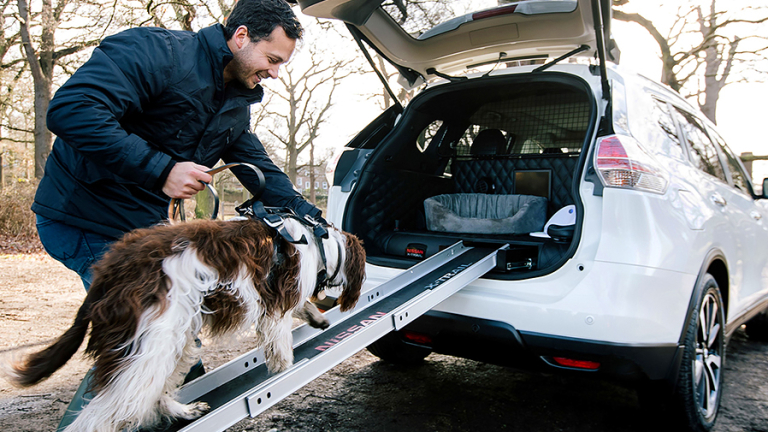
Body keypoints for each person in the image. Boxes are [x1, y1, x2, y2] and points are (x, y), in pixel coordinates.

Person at [32, 0, 321, 291]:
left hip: (142, 226)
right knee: (155, 328)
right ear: (241, 36)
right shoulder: (157, 52)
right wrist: (164, 170)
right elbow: (73, 110)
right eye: (272, 60)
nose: (275, 74)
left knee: (177, 323)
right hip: (85, 216)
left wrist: (312, 218)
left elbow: (257, 165)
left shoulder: (235, 100)